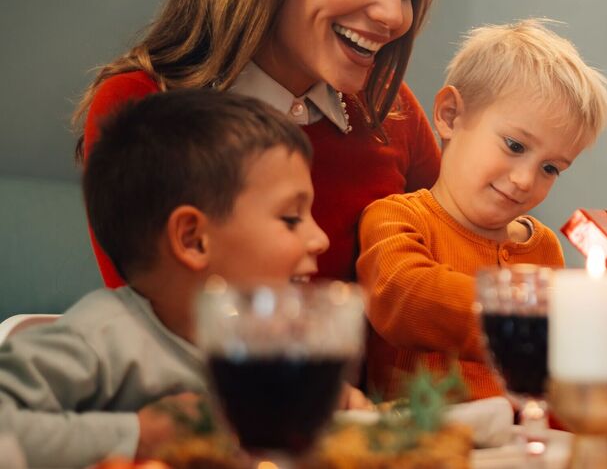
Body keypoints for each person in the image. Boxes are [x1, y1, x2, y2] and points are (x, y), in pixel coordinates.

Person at [75, 0, 441, 286]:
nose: (393, 14)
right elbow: (157, 334)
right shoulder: (140, 107)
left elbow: (459, 264)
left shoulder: (392, 111)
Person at [0, 90, 359, 466]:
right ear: (193, 239)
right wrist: (138, 434)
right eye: (290, 218)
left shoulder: (269, 354)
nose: (320, 239)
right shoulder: (104, 339)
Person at [356, 20, 607, 400]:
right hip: (425, 448)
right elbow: (404, 295)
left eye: (550, 168)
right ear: (449, 115)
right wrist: (532, 312)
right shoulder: (398, 218)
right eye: (514, 145)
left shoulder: (542, 249)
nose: (526, 180)